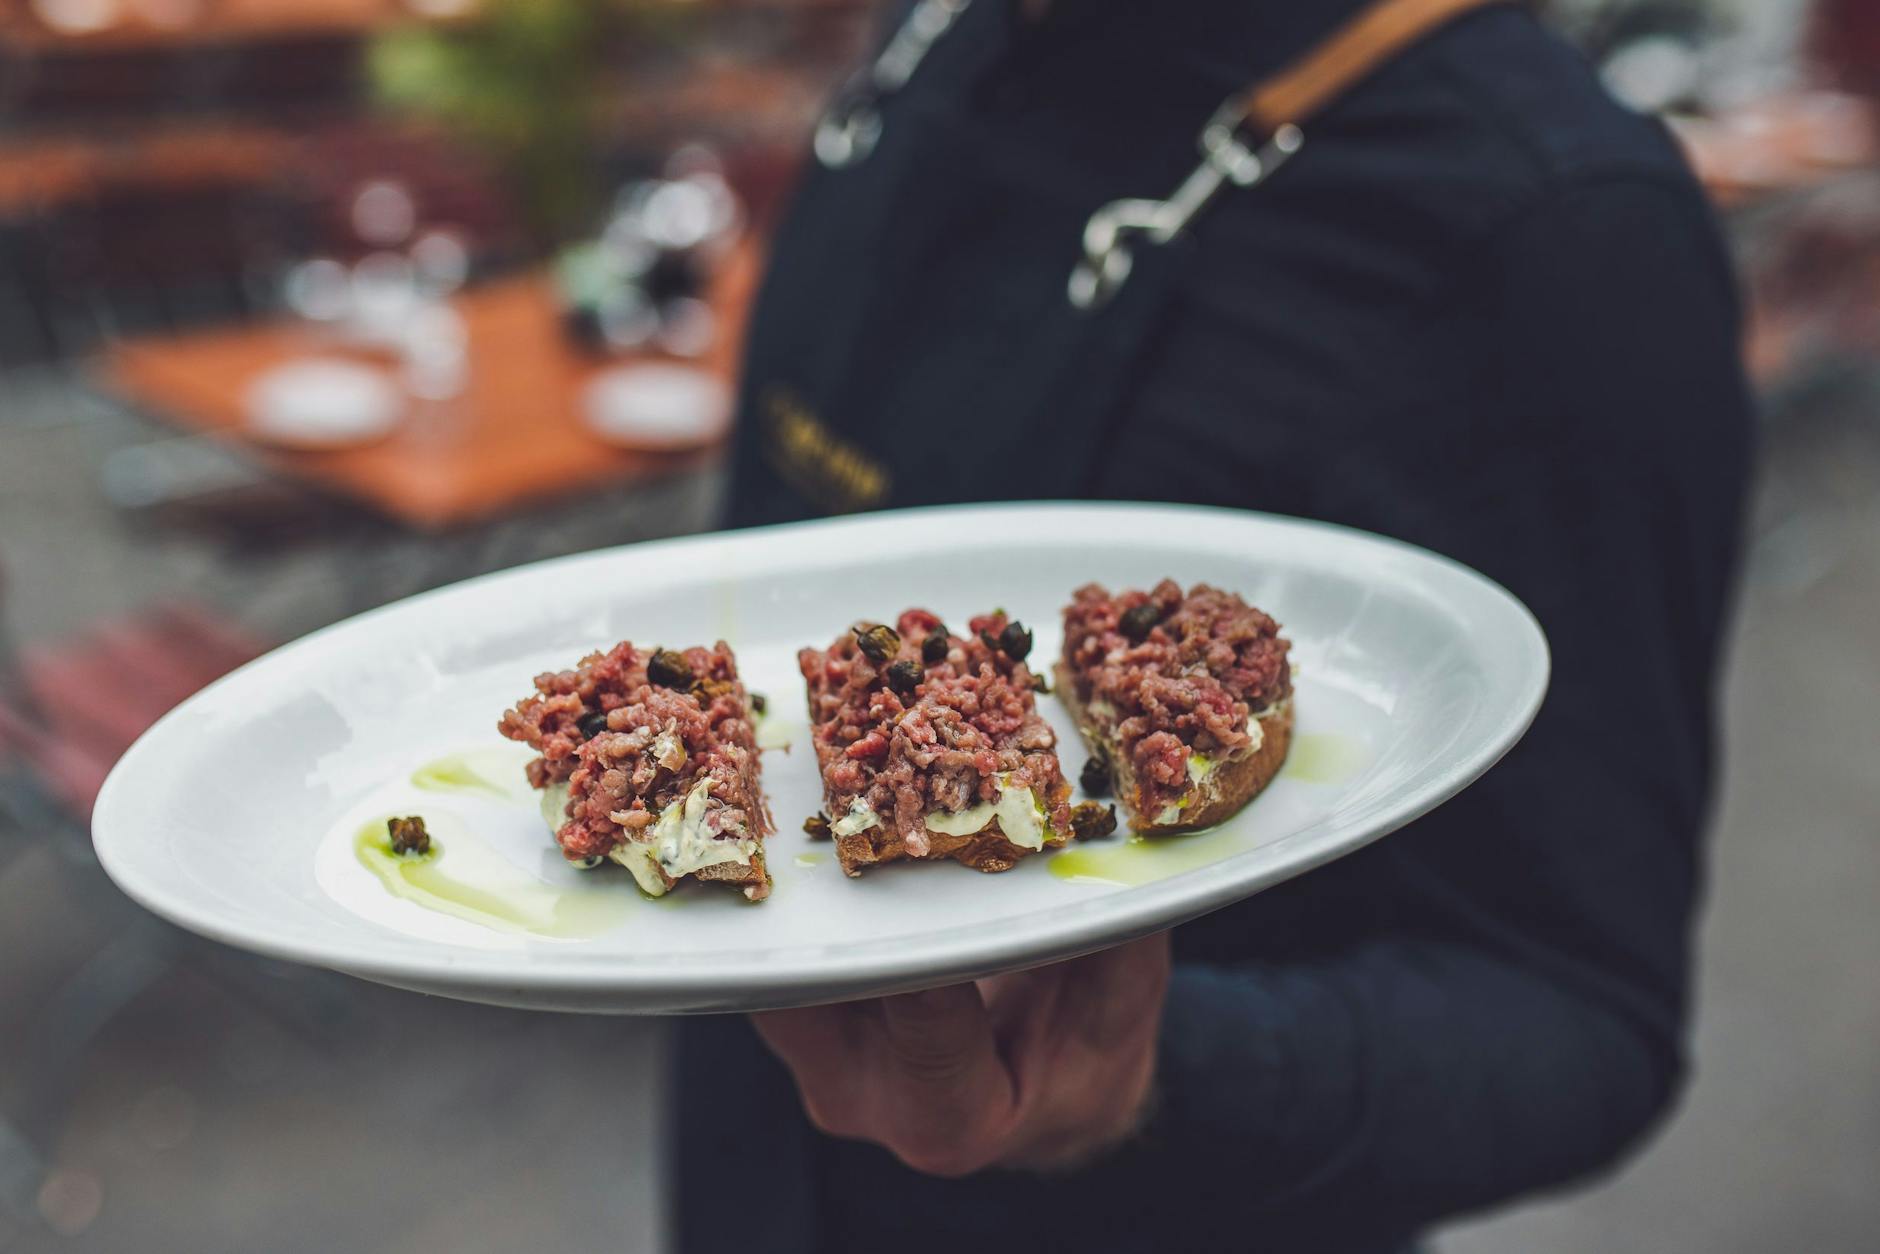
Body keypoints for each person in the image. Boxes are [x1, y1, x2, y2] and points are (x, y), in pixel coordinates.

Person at [679, 1, 1753, 1250]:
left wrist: (1148, 1071)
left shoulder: (1558, 227)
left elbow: (1579, 1016)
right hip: (740, 1167)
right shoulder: (948, 29)